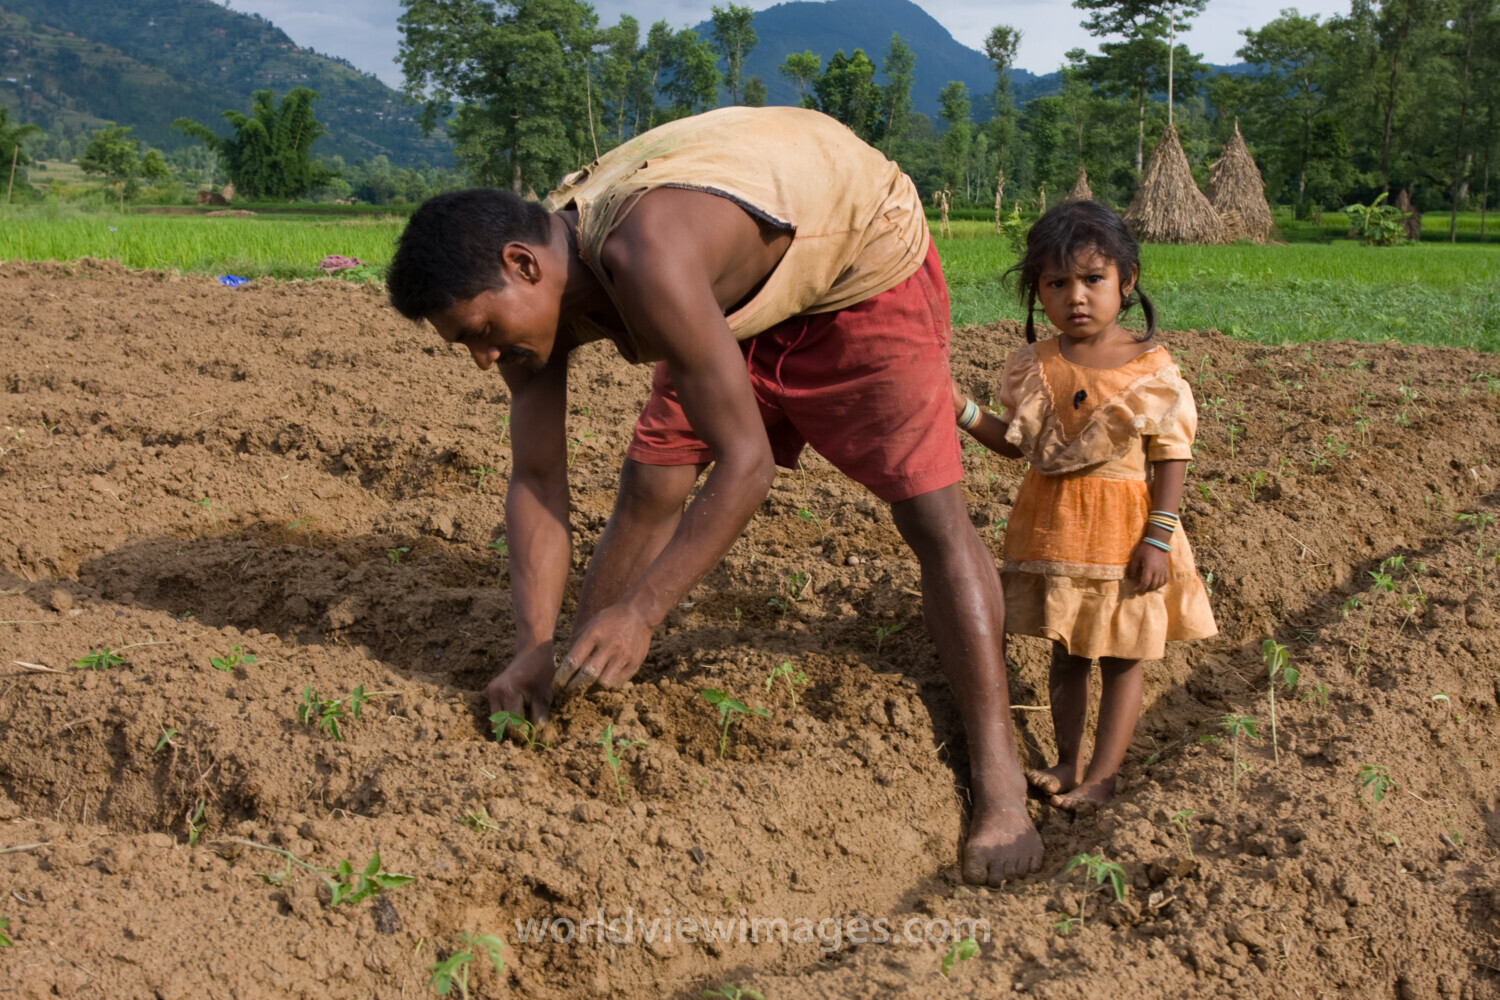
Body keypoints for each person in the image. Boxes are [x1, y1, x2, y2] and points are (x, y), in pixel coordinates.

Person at [385, 106, 1043, 883]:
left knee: (929, 513)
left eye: (480, 332)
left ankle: (1001, 785)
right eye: (467, 344)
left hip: (857, 259)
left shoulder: (648, 258)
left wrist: (643, 612)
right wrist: (533, 646)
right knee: (653, 478)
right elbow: (536, 476)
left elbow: (747, 465)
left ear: (524, 264)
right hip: (731, 298)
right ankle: (571, 686)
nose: (483, 357)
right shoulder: (547, 298)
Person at [952, 200, 1217, 812]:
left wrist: (1158, 537)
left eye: (1093, 280)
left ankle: (1104, 775)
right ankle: (1067, 760)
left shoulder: (1152, 370)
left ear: (1126, 283)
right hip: (1057, 530)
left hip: (1124, 535)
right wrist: (962, 410)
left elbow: (1172, 456)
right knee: (1067, 650)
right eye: (1057, 282)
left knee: (1123, 658)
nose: (1076, 296)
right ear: (1037, 292)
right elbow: (1017, 447)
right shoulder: (1033, 366)